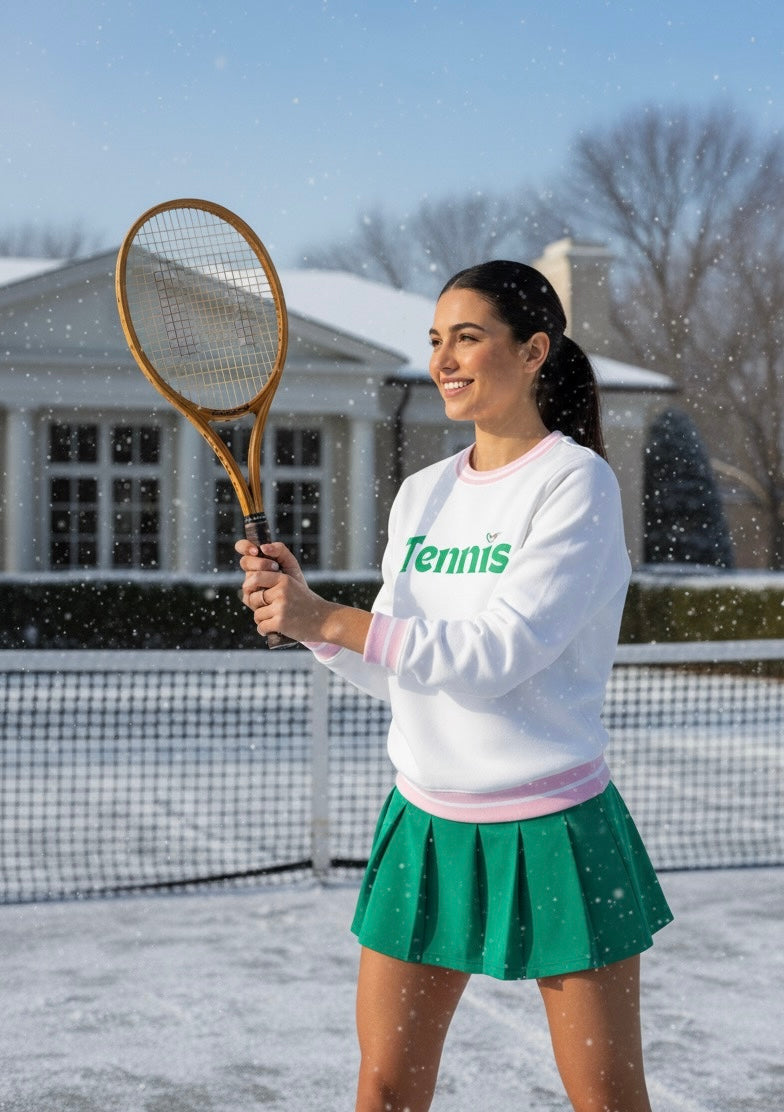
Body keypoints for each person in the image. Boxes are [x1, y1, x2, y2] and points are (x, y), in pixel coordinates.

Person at [236, 260, 673, 1112]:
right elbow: (401, 668)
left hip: (553, 829)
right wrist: (309, 623)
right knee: (384, 1087)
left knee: (607, 1097)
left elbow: (494, 654)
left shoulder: (575, 483)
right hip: (425, 828)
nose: (443, 359)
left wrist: (331, 617)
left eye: (467, 338)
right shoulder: (422, 494)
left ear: (535, 350)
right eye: (436, 340)